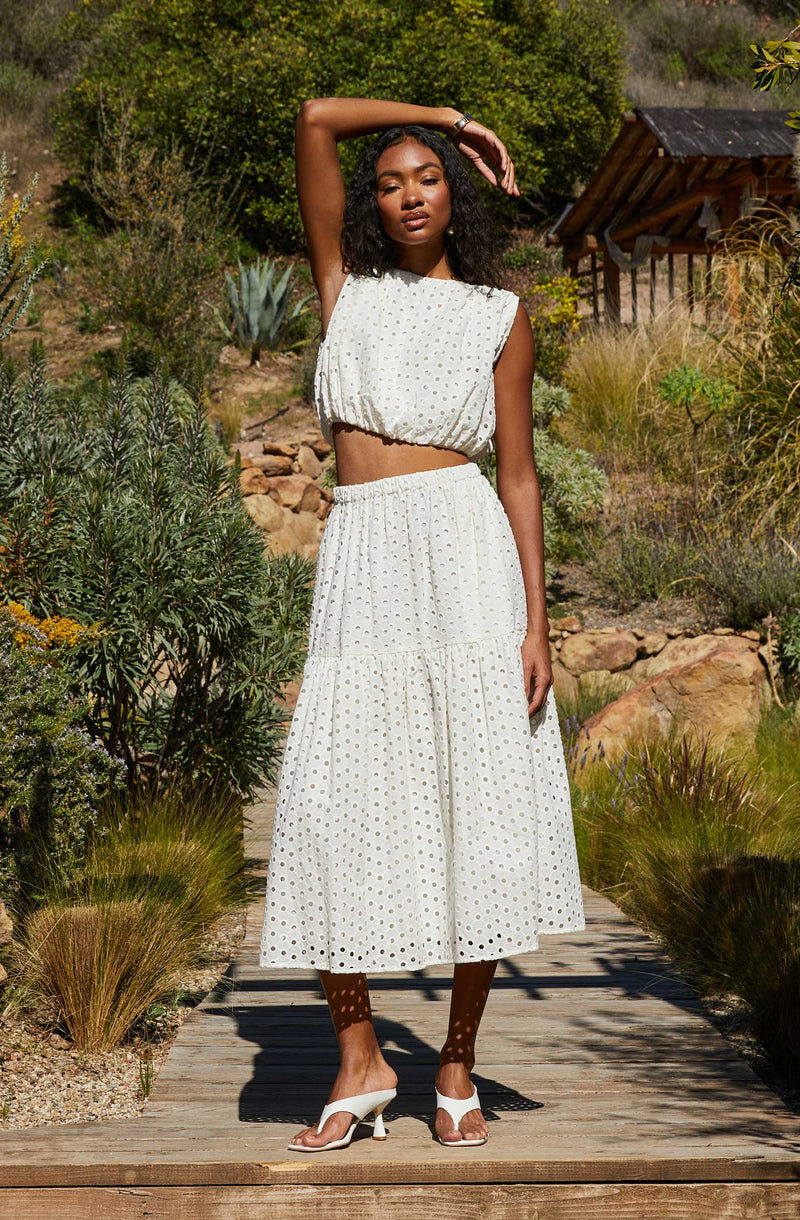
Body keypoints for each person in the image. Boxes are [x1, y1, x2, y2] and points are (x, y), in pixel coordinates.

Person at [259, 97, 585, 1153]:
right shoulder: (343, 289)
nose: (407, 192)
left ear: (456, 199)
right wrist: (443, 116)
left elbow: (521, 475)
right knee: (326, 798)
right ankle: (360, 1059)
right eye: (392, 179)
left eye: (428, 175)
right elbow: (313, 119)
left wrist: (537, 621)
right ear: (371, 201)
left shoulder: (497, 314)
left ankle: (453, 1057)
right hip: (363, 554)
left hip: (462, 551)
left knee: (474, 796)